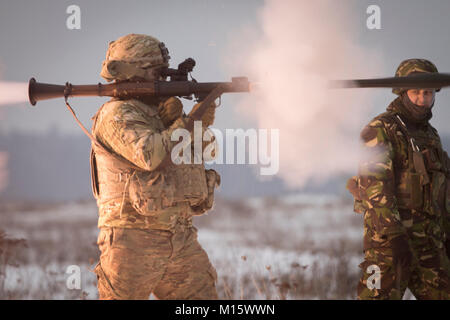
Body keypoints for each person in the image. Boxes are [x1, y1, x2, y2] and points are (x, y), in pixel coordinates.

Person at [90, 34, 220, 300]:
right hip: (131, 243)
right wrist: (189, 122)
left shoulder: (161, 112)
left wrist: (193, 122)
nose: (163, 78)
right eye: (157, 72)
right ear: (134, 73)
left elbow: (208, 150)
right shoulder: (118, 114)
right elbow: (151, 155)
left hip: (180, 238)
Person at [347, 59, 450, 299]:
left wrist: (447, 234)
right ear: (402, 92)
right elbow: (375, 189)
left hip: (428, 243)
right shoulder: (381, 128)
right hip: (388, 246)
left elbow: (441, 191)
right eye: (415, 92)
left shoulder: (430, 135)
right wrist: (393, 238)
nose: (422, 99)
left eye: (427, 93)